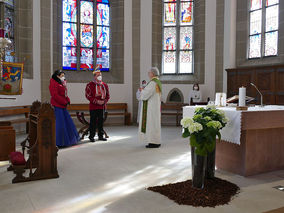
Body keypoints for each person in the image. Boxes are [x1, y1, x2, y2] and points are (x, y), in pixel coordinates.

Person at [49, 70, 79, 147]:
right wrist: (64, 102)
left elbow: (64, 94)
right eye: (62, 75)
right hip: (57, 106)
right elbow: (55, 95)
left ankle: (67, 141)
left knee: (67, 123)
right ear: (57, 76)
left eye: (63, 75)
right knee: (60, 124)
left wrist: (67, 100)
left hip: (62, 106)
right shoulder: (53, 82)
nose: (63, 77)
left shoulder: (61, 83)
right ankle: (59, 142)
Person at [138, 67, 162, 148]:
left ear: (152, 73)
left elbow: (146, 94)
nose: (148, 74)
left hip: (151, 108)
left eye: (149, 73)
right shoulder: (158, 82)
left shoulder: (153, 83)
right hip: (154, 107)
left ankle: (153, 142)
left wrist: (142, 91)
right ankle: (156, 140)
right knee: (155, 124)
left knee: (151, 124)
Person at [85, 66, 110, 142]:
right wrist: (96, 101)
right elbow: (88, 95)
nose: (100, 76)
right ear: (94, 76)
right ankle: (91, 136)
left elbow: (108, 95)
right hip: (93, 107)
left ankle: (100, 136)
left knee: (100, 122)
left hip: (102, 107)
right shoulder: (90, 85)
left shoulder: (104, 85)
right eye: (98, 75)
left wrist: (104, 101)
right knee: (93, 122)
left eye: (100, 75)